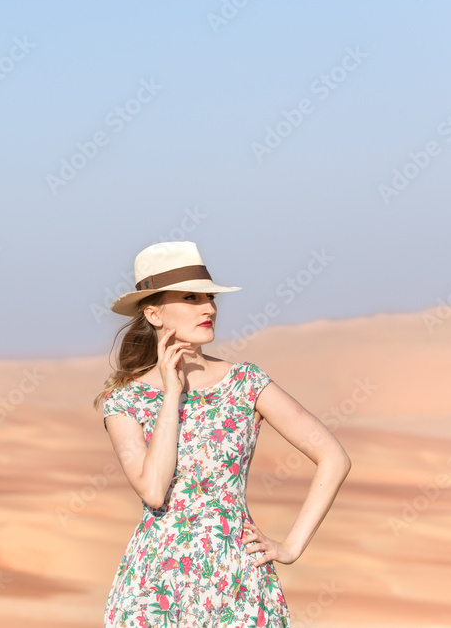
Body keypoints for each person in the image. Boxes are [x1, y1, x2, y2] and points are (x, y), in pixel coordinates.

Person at [94, 241, 351, 627]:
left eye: (210, 298)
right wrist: (172, 394)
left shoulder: (246, 382)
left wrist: (291, 547)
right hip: (156, 588)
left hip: (238, 585)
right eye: (192, 298)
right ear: (153, 313)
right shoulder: (125, 401)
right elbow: (153, 489)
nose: (209, 308)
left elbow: (334, 457)